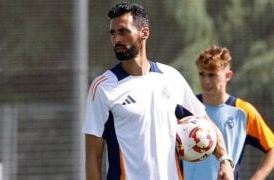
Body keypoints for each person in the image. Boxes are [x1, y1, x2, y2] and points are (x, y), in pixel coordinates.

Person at [82, 3, 234, 180]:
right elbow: (93, 156)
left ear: (144, 33)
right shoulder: (103, 87)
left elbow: (205, 122)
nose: (117, 39)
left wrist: (224, 159)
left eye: (123, 32)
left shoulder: (171, 77)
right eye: (113, 34)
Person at [183, 45, 274, 180]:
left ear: (228, 75)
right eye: (202, 74)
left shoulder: (243, 111)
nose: (206, 81)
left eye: (212, 75)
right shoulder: (187, 107)